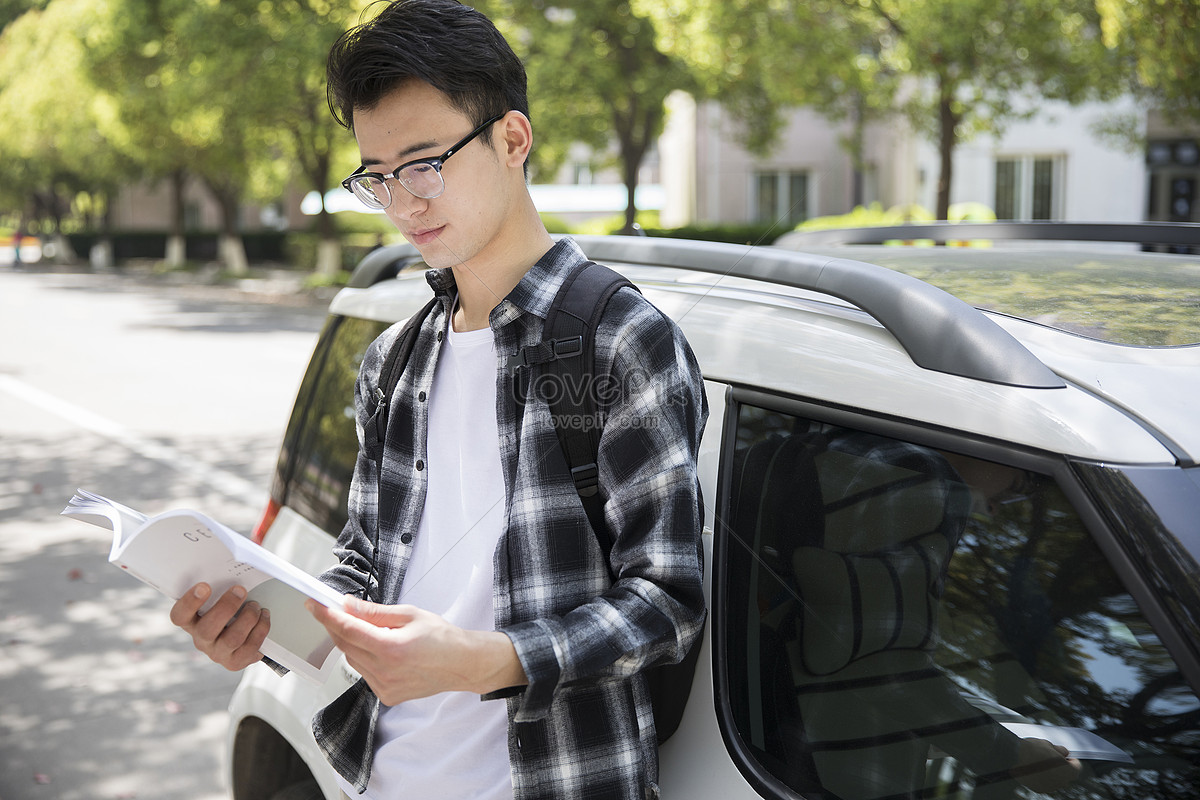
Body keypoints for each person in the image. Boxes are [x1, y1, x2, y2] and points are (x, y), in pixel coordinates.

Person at [168, 2, 708, 799]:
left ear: (512, 139)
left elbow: (669, 601)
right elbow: (365, 561)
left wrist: (489, 660)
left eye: (424, 164)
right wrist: (268, 626)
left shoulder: (618, 339)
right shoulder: (395, 359)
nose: (403, 202)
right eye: (377, 177)